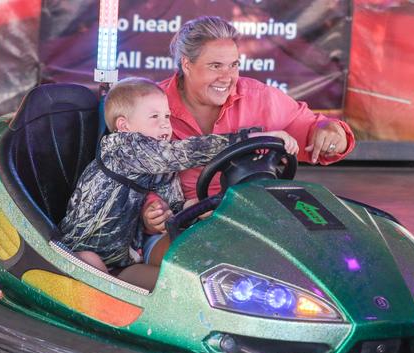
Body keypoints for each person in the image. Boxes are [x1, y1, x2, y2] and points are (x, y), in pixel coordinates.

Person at [142, 15, 356, 263]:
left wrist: (330, 132)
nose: (228, 77)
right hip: (182, 224)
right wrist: (152, 210)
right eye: (215, 66)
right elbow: (130, 171)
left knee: (327, 252)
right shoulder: (153, 105)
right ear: (187, 64)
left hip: (254, 219)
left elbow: (314, 127)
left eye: (233, 65)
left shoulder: (259, 97)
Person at [55, 77, 298, 291]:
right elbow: (177, 153)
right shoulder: (121, 148)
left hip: (123, 260)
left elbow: (173, 205)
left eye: (167, 116)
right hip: (81, 250)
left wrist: (193, 207)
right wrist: (248, 138)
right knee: (89, 260)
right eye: (154, 117)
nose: (164, 124)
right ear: (123, 126)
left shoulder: (158, 166)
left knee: (182, 283)